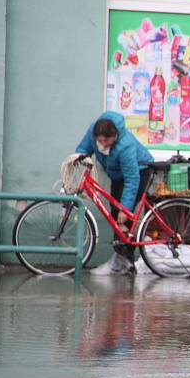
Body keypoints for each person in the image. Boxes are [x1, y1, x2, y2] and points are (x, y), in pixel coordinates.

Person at [76, 111, 154, 274]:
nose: (103, 144)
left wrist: (124, 209)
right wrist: (78, 158)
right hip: (118, 176)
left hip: (140, 172)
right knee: (114, 214)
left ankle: (122, 262)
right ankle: (124, 262)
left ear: (115, 136)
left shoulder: (125, 146)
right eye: (100, 140)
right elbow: (83, 149)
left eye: (107, 141)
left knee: (123, 216)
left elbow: (132, 179)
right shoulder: (94, 131)